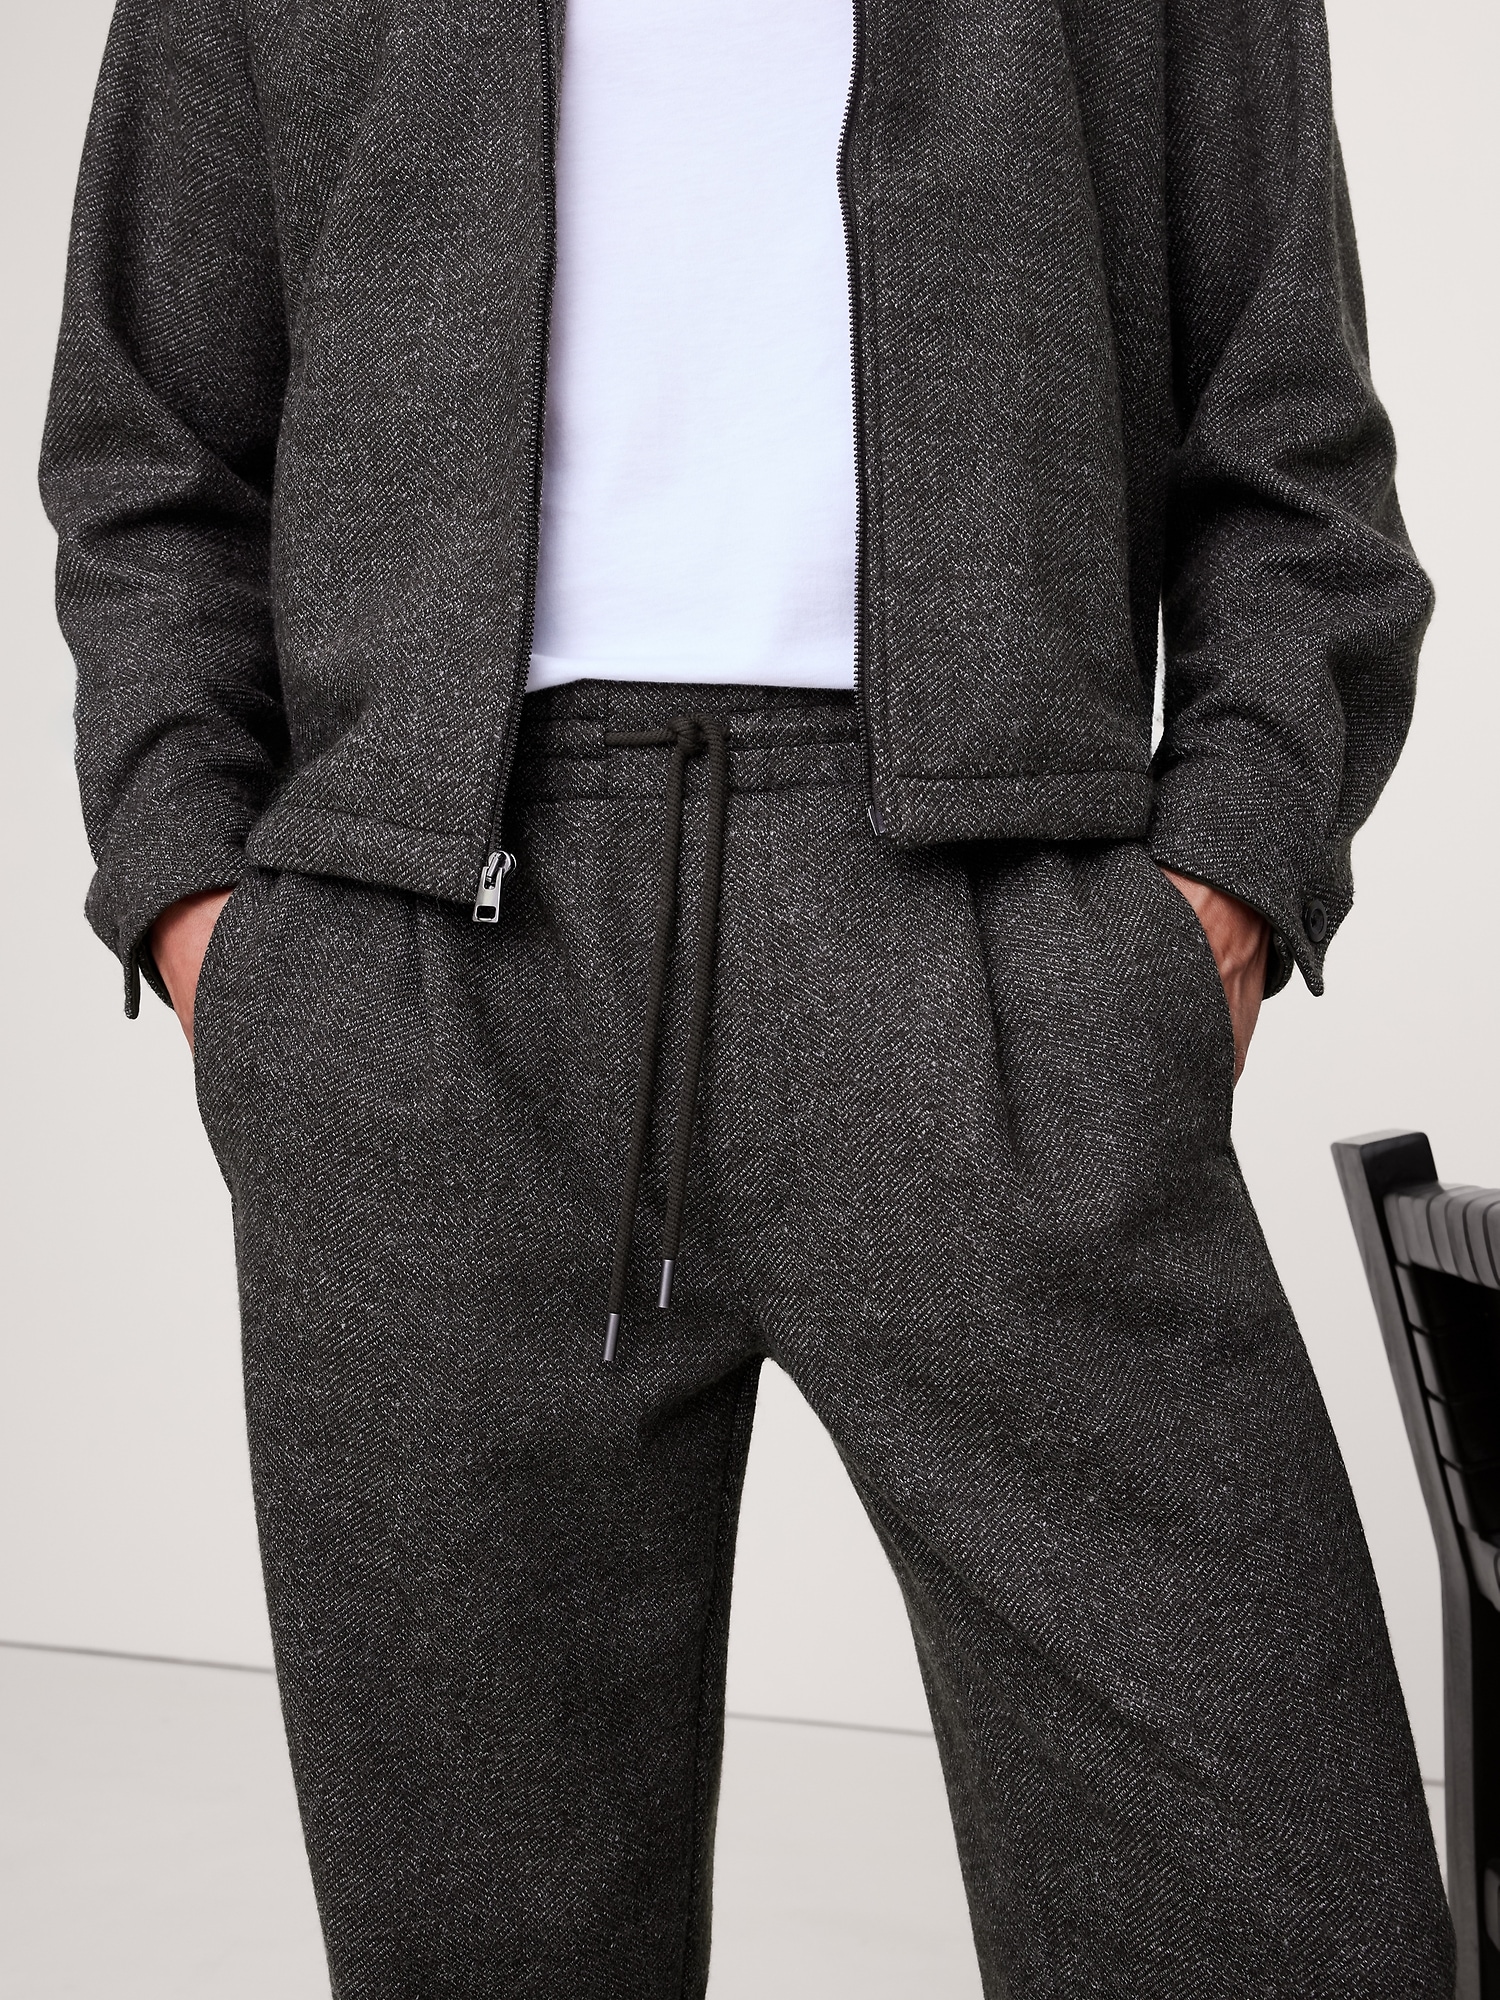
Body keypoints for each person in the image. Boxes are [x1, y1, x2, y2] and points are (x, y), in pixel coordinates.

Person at [40, 0, 1453, 1990]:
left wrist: (1207, 903)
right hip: (428, 969)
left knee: (1281, 1916)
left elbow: (1292, 448)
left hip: (992, 931)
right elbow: (149, 449)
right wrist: (215, 927)